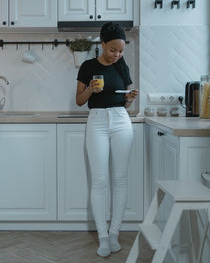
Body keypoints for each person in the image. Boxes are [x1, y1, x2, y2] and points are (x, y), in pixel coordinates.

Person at [75, 22, 138, 257]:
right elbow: (79, 101)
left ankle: (114, 234)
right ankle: (102, 235)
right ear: (102, 44)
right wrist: (91, 89)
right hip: (97, 122)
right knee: (100, 180)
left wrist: (130, 99)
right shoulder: (88, 66)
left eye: (121, 51)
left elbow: (126, 101)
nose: (117, 55)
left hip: (121, 120)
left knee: (120, 179)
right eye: (113, 50)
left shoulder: (122, 67)